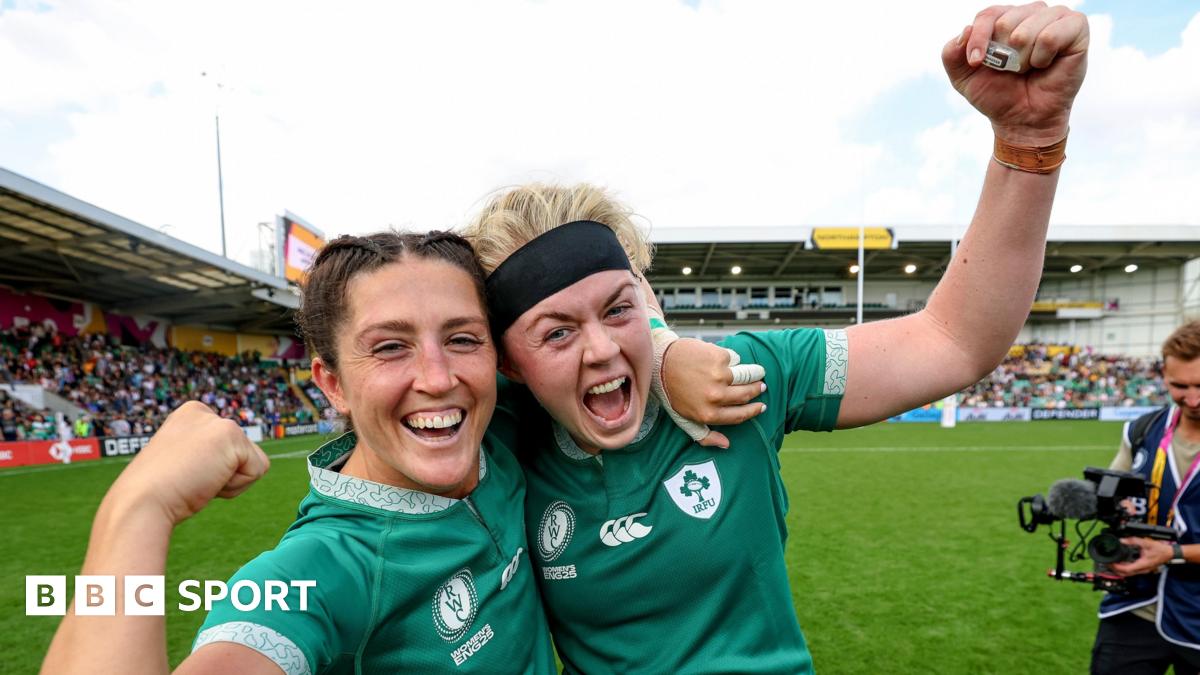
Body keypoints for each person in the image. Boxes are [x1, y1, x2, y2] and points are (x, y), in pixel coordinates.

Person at [461, 4, 1089, 672]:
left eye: (616, 310)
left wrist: (1031, 138)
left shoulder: (745, 377)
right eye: (556, 332)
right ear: (513, 363)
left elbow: (954, 340)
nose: (602, 349)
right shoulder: (497, 433)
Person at [41, 232, 559, 674]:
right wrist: (138, 506)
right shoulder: (319, 568)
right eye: (389, 347)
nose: (439, 378)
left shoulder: (500, 428)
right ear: (332, 383)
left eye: (463, 339)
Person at [1094, 321, 1200, 675]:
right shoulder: (1141, 430)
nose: (1193, 399)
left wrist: (1173, 552)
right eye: (1179, 386)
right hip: (1134, 605)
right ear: (1163, 375)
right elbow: (1110, 489)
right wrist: (1111, 508)